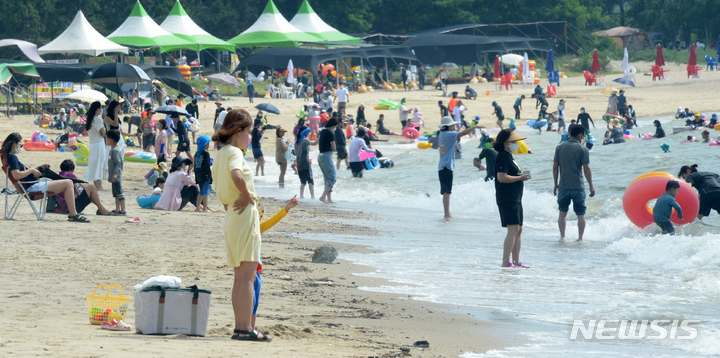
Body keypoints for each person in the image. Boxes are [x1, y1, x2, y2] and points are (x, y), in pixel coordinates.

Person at [210, 110, 272, 342]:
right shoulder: (235, 152)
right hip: (244, 215)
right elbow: (237, 176)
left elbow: (220, 187)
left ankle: (240, 327)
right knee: (247, 277)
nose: (251, 138)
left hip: (232, 217)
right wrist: (247, 195)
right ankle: (246, 329)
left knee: (239, 277)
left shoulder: (220, 154)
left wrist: (233, 200)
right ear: (238, 131)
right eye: (249, 132)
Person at [2, 133, 90, 223]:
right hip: (31, 188)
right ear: (14, 144)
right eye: (20, 145)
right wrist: (32, 170)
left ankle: (73, 214)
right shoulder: (12, 157)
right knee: (68, 183)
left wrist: (39, 168)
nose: (21, 147)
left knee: (68, 182)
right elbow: (16, 175)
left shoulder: (9, 157)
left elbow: (23, 174)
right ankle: (73, 214)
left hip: (30, 186)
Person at [493, 129, 531, 268]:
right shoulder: (502, 156)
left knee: (519, 229)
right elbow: (501, 177)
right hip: (507, 197)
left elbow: (510, 174)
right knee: (513, 229)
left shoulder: (509, 156)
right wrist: (520, 178)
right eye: (513, 141)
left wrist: (521, 176)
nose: (515, 144)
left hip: (515, 197)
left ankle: (516, 261)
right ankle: (505, 262)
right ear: (505, 143)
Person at [553, 124, 595, 242]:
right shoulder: (583, 149)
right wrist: (591, 186)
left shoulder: (559, 148)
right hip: (578, 186)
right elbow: (586, 168)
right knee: (580, 215)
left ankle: (562, 237)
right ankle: (580, 239)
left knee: (562, 213)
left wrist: (555, 184)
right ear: (580, 135)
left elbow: (555, 167)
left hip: (563, 186)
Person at [437, 116, 484, 219]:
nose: (454, 126)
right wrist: (474, 126)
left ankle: (447, 213)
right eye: (452, 125)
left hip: (442, 166)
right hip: (446, 167)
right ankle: (447, 214)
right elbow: (463, 133)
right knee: (447, 192)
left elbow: (454, 143)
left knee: (446, 191)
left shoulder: (442, 134)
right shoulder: (449, 134)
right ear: (448, 126)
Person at [83, 102, 108, 190]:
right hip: (99, 144)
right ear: (98, 109)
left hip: (93, 144)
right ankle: (99, 186)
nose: (101, 110)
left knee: (94, 164)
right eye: (101, 108)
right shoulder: (97, 120)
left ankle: (97, 185)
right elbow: (103, 133)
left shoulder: (90, 119)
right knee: (99, 163)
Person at [316, 118, 338, 203]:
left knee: (327, 178)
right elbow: (334, 147)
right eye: (335, 126)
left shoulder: (323, 132)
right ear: (332, 126)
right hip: (326, 156)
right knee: (332, 177)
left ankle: (328, 198)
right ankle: (323, 197)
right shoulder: (330, 133)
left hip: (320, 156)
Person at [105, 130, 126, 215]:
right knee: (115, 193)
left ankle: (123, 210)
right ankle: (117, 209)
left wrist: (115, 173)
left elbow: (118, 163)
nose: (105, 140)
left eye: (106, 138)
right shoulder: (112, 150)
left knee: (119, 192)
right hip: (113, 176)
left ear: (111, 140)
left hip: (116, 176)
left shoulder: (115, 151)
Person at [194, 135, 215, 213]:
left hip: (199, 176)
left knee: (201, 192)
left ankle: (197, 207)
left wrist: (196, 177)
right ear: (205, 144)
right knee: (205, 193)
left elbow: (196, 167)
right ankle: (205, 208)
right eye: (208, 143)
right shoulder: (206, 154)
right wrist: (210, 177)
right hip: (205, 176)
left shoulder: (196, 154)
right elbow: (207, 166)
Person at [295, 127, 314, 199]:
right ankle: (312, 196)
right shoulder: (305, 140)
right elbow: (314, 143)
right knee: (310, 180)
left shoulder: (297, 142)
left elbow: (296, 153)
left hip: (299, 164)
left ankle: (301, 196)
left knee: (303, 182)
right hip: (306, 163)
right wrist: (320, 138)